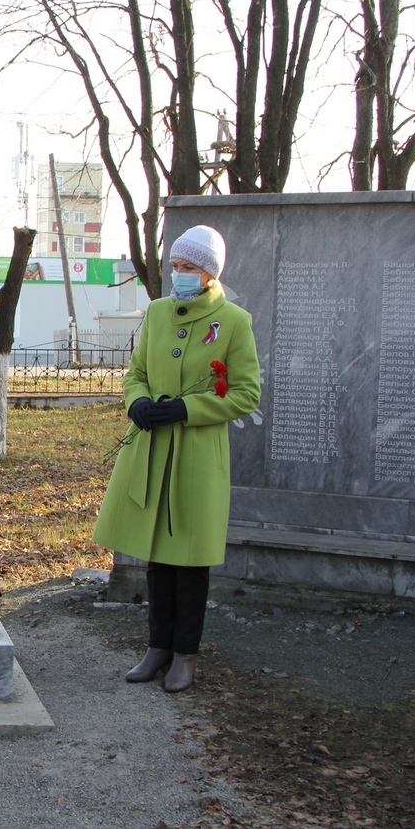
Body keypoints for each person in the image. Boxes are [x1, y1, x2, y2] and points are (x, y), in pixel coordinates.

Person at [92, 225, 261, 693]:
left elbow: (246, 393)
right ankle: (156, 648)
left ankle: (185, 655)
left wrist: (189, 408)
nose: (180, 275)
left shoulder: (233, 321)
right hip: (151, 448)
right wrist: (138, 402)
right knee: (157, 558)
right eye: (176, 267)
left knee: (189, 559)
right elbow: (138, 371)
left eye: (190, 268)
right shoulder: (159, 312)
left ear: (209, 274)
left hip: (196, 455)